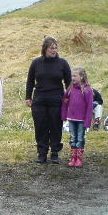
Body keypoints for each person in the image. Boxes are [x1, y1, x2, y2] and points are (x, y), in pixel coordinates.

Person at [25, 36, 72, 164]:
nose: (54, 50)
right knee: (40, 127)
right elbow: (30, 81)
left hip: (56, 100)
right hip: (39, 100)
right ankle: (42, 153)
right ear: (45, 48)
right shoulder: (36, 63)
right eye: (51, 48)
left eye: (56, 48)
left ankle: (55, 152)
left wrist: (69, 98)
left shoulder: (62, 63)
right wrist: (28, 97)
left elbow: (69, 82)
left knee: (56, 126)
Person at [61, 67, 93, 167]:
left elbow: (89, 107)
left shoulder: (87, 90)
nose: (72, 78)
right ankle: (73, 158)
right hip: (71, 119)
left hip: (81, 120)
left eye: (75, 76)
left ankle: (79, 159)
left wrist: (87, 121)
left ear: (81, 76)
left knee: (80, 139)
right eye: (72, 76)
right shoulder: (70, 89)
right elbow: (65, 101)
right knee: (72, 138)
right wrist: (64, 115)